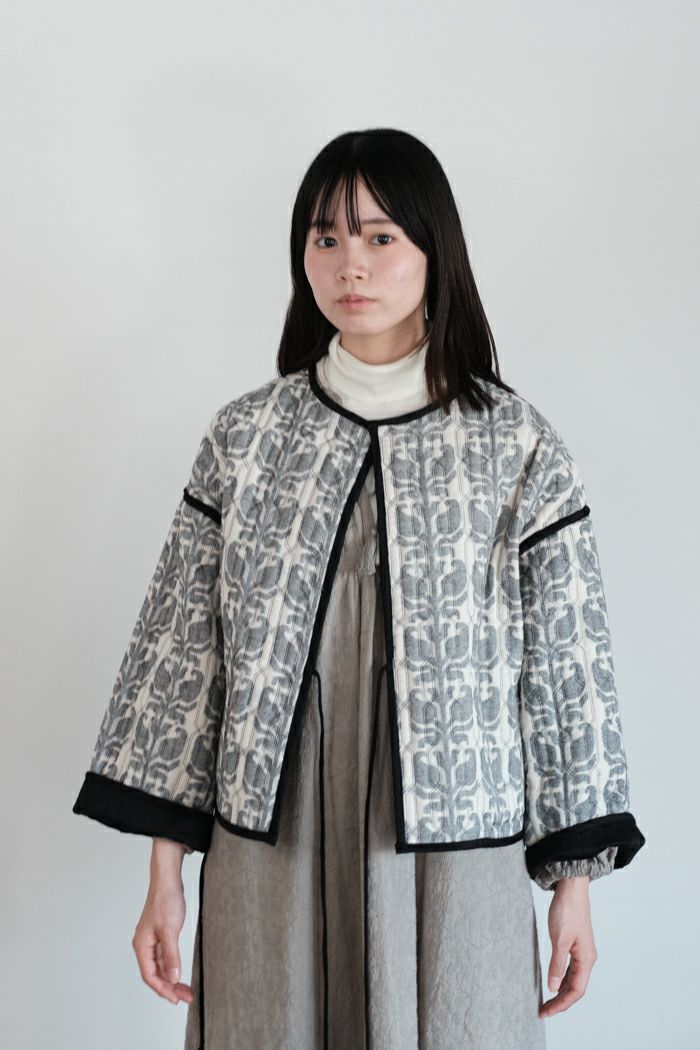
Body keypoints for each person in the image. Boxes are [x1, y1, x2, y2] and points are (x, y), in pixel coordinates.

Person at [72, 127, 646, 1050]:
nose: (351, 264)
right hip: (273, 839)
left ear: (434, 249)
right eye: (326, 237)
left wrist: (572, 887)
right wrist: (164, 877)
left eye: (381, 236)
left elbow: (566, 672)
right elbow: (183, 656)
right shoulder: (245, 439)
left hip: (455, 850)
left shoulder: (517, 445)